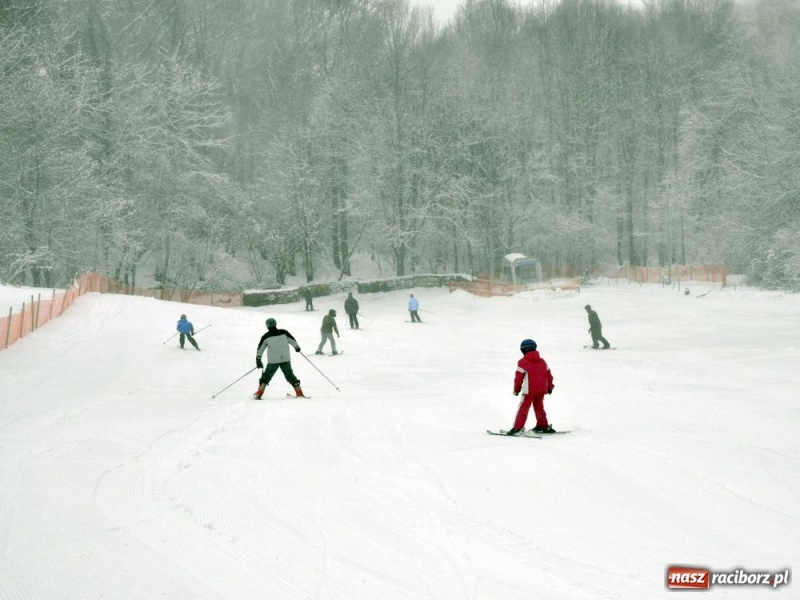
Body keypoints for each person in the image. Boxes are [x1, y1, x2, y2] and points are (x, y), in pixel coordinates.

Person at [507, 339, 555, 435]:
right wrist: (549, 387)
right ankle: (543, 425)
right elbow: (549, 375)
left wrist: (516, 390)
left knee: (523, 408)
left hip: (529, 391)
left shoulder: (522, 362)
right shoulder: (542, 361)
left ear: (523, 350)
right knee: (539, 407)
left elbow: (518, 378)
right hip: (541, 390)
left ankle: (518, 428)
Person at [254, 318, 304, 399]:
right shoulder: (284, 332)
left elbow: (260, 349)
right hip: (285, 358)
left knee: (267, 376)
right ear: (275, 324)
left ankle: (260, 392)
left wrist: (258, 359)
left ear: (267, 325)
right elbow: (292, 340)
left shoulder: (266, 336)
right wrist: (296, 347)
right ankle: (299, 392)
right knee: (289, 375)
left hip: (273, 360)